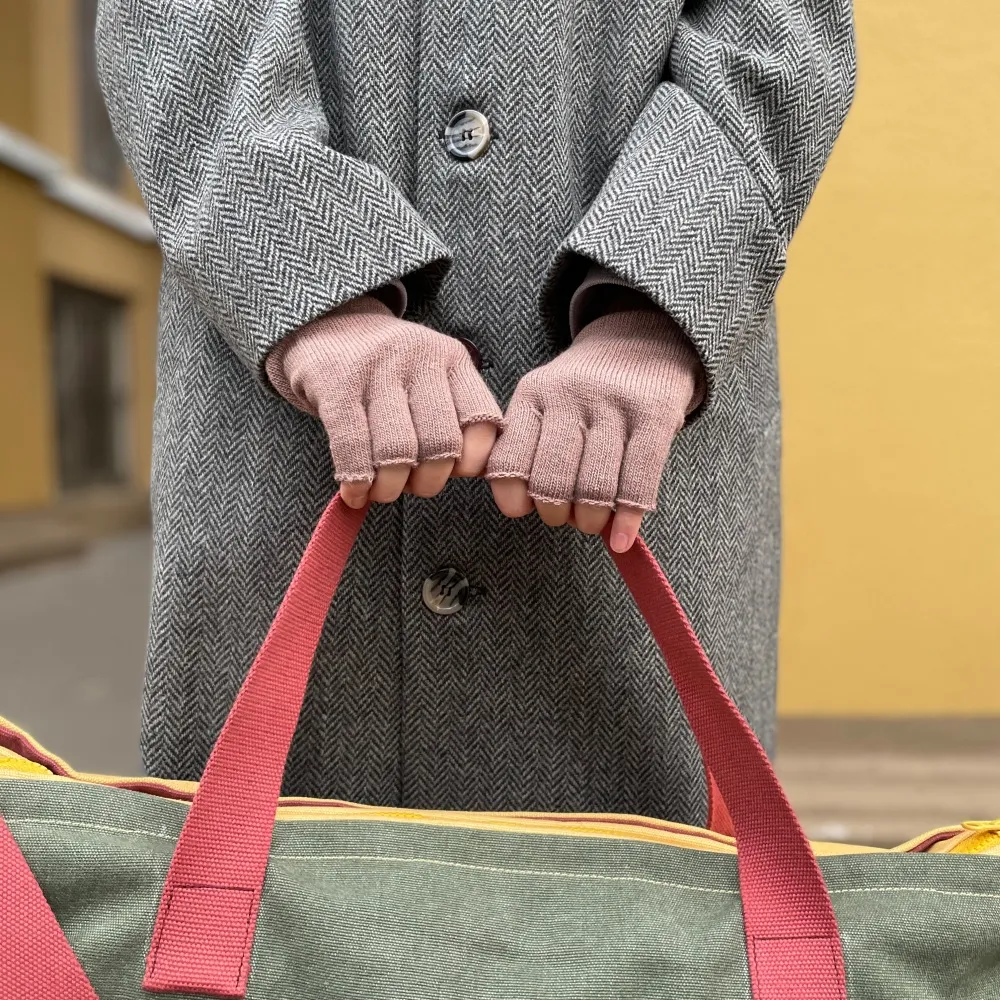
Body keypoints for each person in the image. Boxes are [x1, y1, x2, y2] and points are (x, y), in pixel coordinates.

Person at [95, 0, 855, 822]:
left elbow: (778, 31)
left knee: (660, 877)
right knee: (253, 874)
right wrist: (308, 273)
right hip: (288, 415)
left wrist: (654, 300)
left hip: (645, 415)